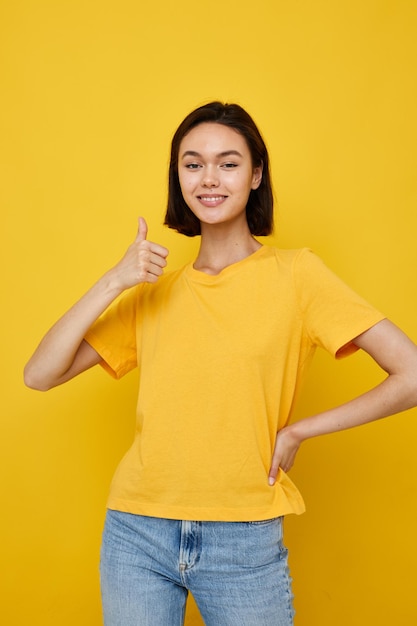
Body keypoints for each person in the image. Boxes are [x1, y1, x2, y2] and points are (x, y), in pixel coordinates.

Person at [24, 101, 417, 626]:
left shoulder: (297, 275)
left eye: (228, 163)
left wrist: (300, 430)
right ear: (178, 176)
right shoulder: (154, 291)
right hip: (136, 530)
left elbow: (410, 374)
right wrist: (114, 281)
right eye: (193, 163)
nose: (209, 178)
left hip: (243, 538)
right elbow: (40, 374)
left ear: (256, 174)